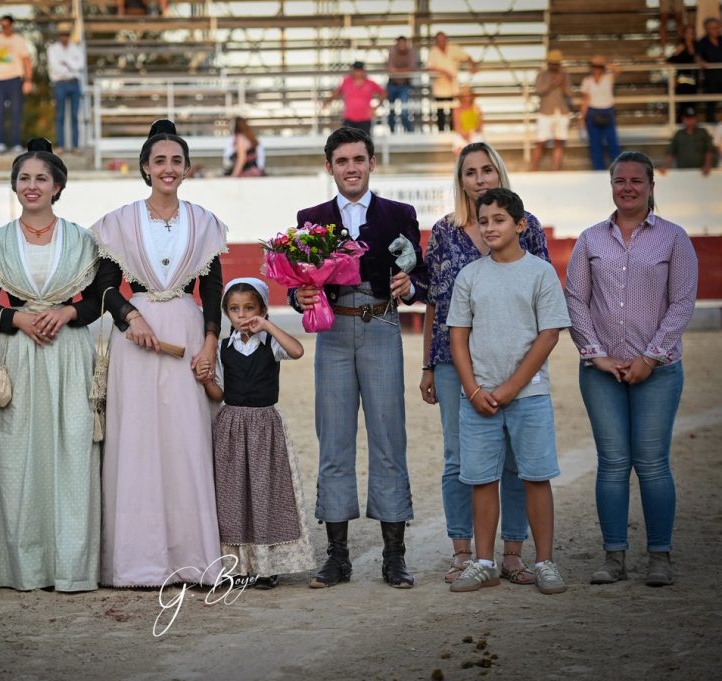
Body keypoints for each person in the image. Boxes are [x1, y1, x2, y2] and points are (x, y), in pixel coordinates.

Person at [91, 119, 226, 587]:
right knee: (136, 441)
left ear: (187, 168)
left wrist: (210, 342)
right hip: (136, 340)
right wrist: (132, 317)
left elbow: (213, 288)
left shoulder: (204, 222)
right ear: (146, 168)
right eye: (159, 161)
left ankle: (193, 557)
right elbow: (104, 287)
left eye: (176, 161)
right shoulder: (119, 222)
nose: (168, 168)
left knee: (187, 440)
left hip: (188, 333)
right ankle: (137, 561)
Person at [291, 126, 427, 590]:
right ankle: (338, 557)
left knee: (389, 436)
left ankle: (394, 556)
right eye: (342, 161)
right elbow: (298, 282)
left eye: (358, 159)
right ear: (329, 167)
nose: (351, 168)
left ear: (372, 163)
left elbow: (419, 274)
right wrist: (299, 297)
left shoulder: (399, 214)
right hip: (332, 332)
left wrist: (410, 287)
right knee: (334, 439)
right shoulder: (311, 217)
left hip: (382, 325)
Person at [0, 139, 106, 592]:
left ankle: (71, 565)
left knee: (73, 452)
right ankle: (20, 568)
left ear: (58, 186)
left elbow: (100, 297)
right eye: (24, 178)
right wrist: (18, 319)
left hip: (69, 352)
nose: (32, 186)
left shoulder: (84, 241)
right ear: (15, 185)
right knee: (16, 459)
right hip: (15, 354)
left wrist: (67, 313)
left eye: (41, 179)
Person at [565, 151, 698, 587]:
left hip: (657, 371)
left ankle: (660, 556)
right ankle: (614, 557)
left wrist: (650, 357)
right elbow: (575, 300)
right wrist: (596, 354)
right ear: (611, 186)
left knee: (653, 463)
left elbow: (682, 303)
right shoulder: (590, 240)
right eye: (620, 180)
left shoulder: (674, 238)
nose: (627, 187)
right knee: (612, 463)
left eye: (636, 180)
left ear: (651, 186)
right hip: (600, 371)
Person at [421, 142, 550, 587]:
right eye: (471, 172)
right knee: (459, 457)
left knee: (514, 459)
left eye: (487, 170)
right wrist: (426, 365)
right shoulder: (445, 231)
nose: (480, 179)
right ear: (460, 180)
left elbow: (541, 297)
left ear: (499, 173)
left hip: (513, 358)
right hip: (450, 358)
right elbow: (435, 302)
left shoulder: (528, 226)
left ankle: (512, 553)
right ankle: (464, 552)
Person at [446, 188, 572, 596]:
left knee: (535, 476)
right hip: (479, 399)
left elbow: (549, 335)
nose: (489, 227)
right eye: (483, 221)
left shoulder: (540, 273)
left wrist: (511, 387)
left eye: (499, 220)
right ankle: (484, 563)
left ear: (520, 225)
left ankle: (545, 561)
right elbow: (457, 338)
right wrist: (472, 390)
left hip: (528, 397)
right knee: (482, 480)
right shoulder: (470, 276)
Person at [198, 278, 316, 589]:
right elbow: (219, 394)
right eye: (234, 309)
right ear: (227, 313)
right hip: (232, 427)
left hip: (265, 427)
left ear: (262, 310)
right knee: (233, 495)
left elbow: (297, 350)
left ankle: (267, 566)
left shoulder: (270, 344)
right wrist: (207, 379)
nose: (242, 315)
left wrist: (268, 326)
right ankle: (237, 565)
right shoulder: (224, 348)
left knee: (265, 493)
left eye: (249, 308)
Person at [0, 15, 33, 154]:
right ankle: (0, 143)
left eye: (6, 26)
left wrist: (28, 81)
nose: (4, 28)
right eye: (2, 26)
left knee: (16, 111)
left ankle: (16, 143)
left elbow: (27, 61)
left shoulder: (19, 40)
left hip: (15, 79)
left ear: (12, 25)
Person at [530, 49, 572, 172]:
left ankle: (555, 170)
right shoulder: (541, 75)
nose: (554, 65)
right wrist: (554, 83)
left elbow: (569, 93)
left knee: (559, 142)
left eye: (556, 63)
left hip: (562, 112)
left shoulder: (565, 76)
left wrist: (562, 83)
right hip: (545, 112)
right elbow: (539, 91)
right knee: (541, 141)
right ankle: (533, 169)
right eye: (552, 63)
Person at [47, 22, 85, 155]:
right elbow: (55, 67)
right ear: (59, 35)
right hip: (60, 84)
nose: (64, 37)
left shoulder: (76, 48)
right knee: (60, 116)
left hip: (75, 84)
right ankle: (61, 146)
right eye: (62, 34)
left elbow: (80, 65)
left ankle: (75, 146)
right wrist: (71, 67)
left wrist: (65, 63)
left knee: (75, 116)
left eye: (66, 34)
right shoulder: (53, 49)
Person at [426, 32, 477, 132]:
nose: (441, 41)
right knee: (440, 111)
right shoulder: (433, 52)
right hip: (439, 86)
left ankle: (454, 130)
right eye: (439, 39)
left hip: (452, 86)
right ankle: (441, 132)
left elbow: (467, 57)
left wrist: (473, 66)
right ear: (436, 41)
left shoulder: (454, 49)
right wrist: (445, 72)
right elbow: (429, 68)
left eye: (443, 39)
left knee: (454, 111)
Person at [580, 55, 621, 171]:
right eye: (593, 66)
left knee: (612, 142)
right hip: (592, 112)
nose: (596, 68)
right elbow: (585, 100)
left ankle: (618, 170)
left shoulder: (608, 77)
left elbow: (619, 70)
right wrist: (582, 117)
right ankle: (598, 170)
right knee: (595, 144)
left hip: (608, 111)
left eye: (598, 66)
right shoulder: (587, 81)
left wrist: (604, 62)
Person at [324, 61, 385, 135]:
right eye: (356, 70)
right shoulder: (346, 81)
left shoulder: (370, 83)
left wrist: (376, 107)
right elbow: (337, 93)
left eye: (359, 70)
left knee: (364, 141)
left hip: (365, 119)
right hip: (349, 118)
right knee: (347, 140)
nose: (357, 73)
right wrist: (327, 100)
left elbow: (383, 93)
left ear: (363, 71)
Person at [661, 105, 716, 174]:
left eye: (692, 118)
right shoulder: (678, 134)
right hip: (683, 172)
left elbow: (709, 150)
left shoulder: (703, 133)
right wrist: (665, 166)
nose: (690, 121)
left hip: (700, 172)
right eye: (687, 118)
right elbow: (671, 153)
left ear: (696, 119)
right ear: (683, 119)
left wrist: (707, 164)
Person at [667, 26, 700, 123]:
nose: (690, 35)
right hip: (682, 78)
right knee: (683, 104)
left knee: (692, 103)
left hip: (694, 78)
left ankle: (691, 123)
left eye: (692, 33)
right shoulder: (681, 45)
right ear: (684, 35)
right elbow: (670, 60)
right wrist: (677, 52)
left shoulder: (697, 45)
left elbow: (699, 59)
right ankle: (679, 123)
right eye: (688, 33)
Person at [385, 36, 417, 133]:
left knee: (405, 110)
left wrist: (397, 71)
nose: (402, 46)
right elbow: (390, 69)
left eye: (404, 43)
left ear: (406, 44)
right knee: (391, 109)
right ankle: (391, 132)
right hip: (392, 83)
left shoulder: (411, 51)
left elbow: (412, 68)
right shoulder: (392, 51)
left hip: (405, 84)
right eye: (400, 44)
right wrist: (404, 70)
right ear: (397, 44)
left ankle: (409, 132)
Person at [696, 17, 722, 123]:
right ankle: (711, 123)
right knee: (710, 103)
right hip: (711, 77)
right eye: (713, 28)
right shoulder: (702, 42)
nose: (717, 30)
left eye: (718, 27)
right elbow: (697, 56)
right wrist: (700, 61)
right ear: (707, 29)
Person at [452, 86, 483, 154]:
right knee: (461, 150)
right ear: (461, 98)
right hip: (461, 135)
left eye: (469, 95)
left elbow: (479, 126)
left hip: (475, 134)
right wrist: (466, 137)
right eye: (465, 96)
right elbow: (457, 127)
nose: (467, 98)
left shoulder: (477, 108)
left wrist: (471, 134)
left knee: (477, 149)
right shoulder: (457, 110)